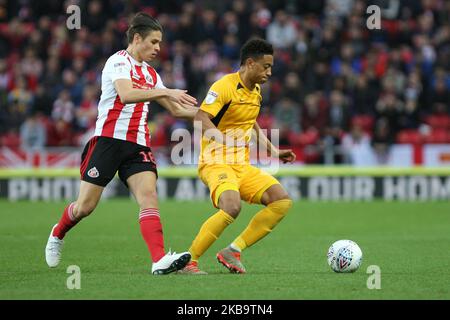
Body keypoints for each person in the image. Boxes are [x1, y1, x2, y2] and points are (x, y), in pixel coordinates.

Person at [45, 12, 198, 275]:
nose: (158, 48)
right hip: (108, 141)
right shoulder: (117, 62)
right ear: (137, 38)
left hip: (137, 145)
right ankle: (58, 232)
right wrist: (165, 90)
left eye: (159, 43)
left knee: (149, 196)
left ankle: (159, 259)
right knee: (85, 207)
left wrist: (216, 115)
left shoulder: (151, 74)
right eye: (154, 42)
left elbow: (177, 111)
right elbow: (127, 95)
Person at [178, 38, 296, 274]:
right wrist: (225, 140)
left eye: (271, 67)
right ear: (250, 63)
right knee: (232, 206)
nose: (269, 72)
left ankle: (233, 250)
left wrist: (273, 151)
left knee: (282, 201)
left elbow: (251, 123)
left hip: (241, 166)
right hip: (215, 162)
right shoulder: (223, 86)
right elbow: (201, 118)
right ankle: (188, 262)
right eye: (266, 67)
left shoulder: (256, 92)